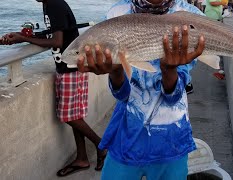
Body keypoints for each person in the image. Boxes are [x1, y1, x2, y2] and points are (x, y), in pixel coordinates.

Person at [76, 0, 205, 179]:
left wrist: (169, 69)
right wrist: (115, 70)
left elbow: (173, 97)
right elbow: (122, 95)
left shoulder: (190, 16)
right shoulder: (117, 13)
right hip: (125, 138)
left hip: (171, 140)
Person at [0, 0, 106, 177]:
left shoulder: (54, 4)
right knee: (75, 115)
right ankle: (82, 158)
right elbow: (55, 34)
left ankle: (101, 146)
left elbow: (57, 42)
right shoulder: (51, 3)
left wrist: (24, 38)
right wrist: (21, 35)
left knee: (67, 116)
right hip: (71, 67)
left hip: (69, 68)